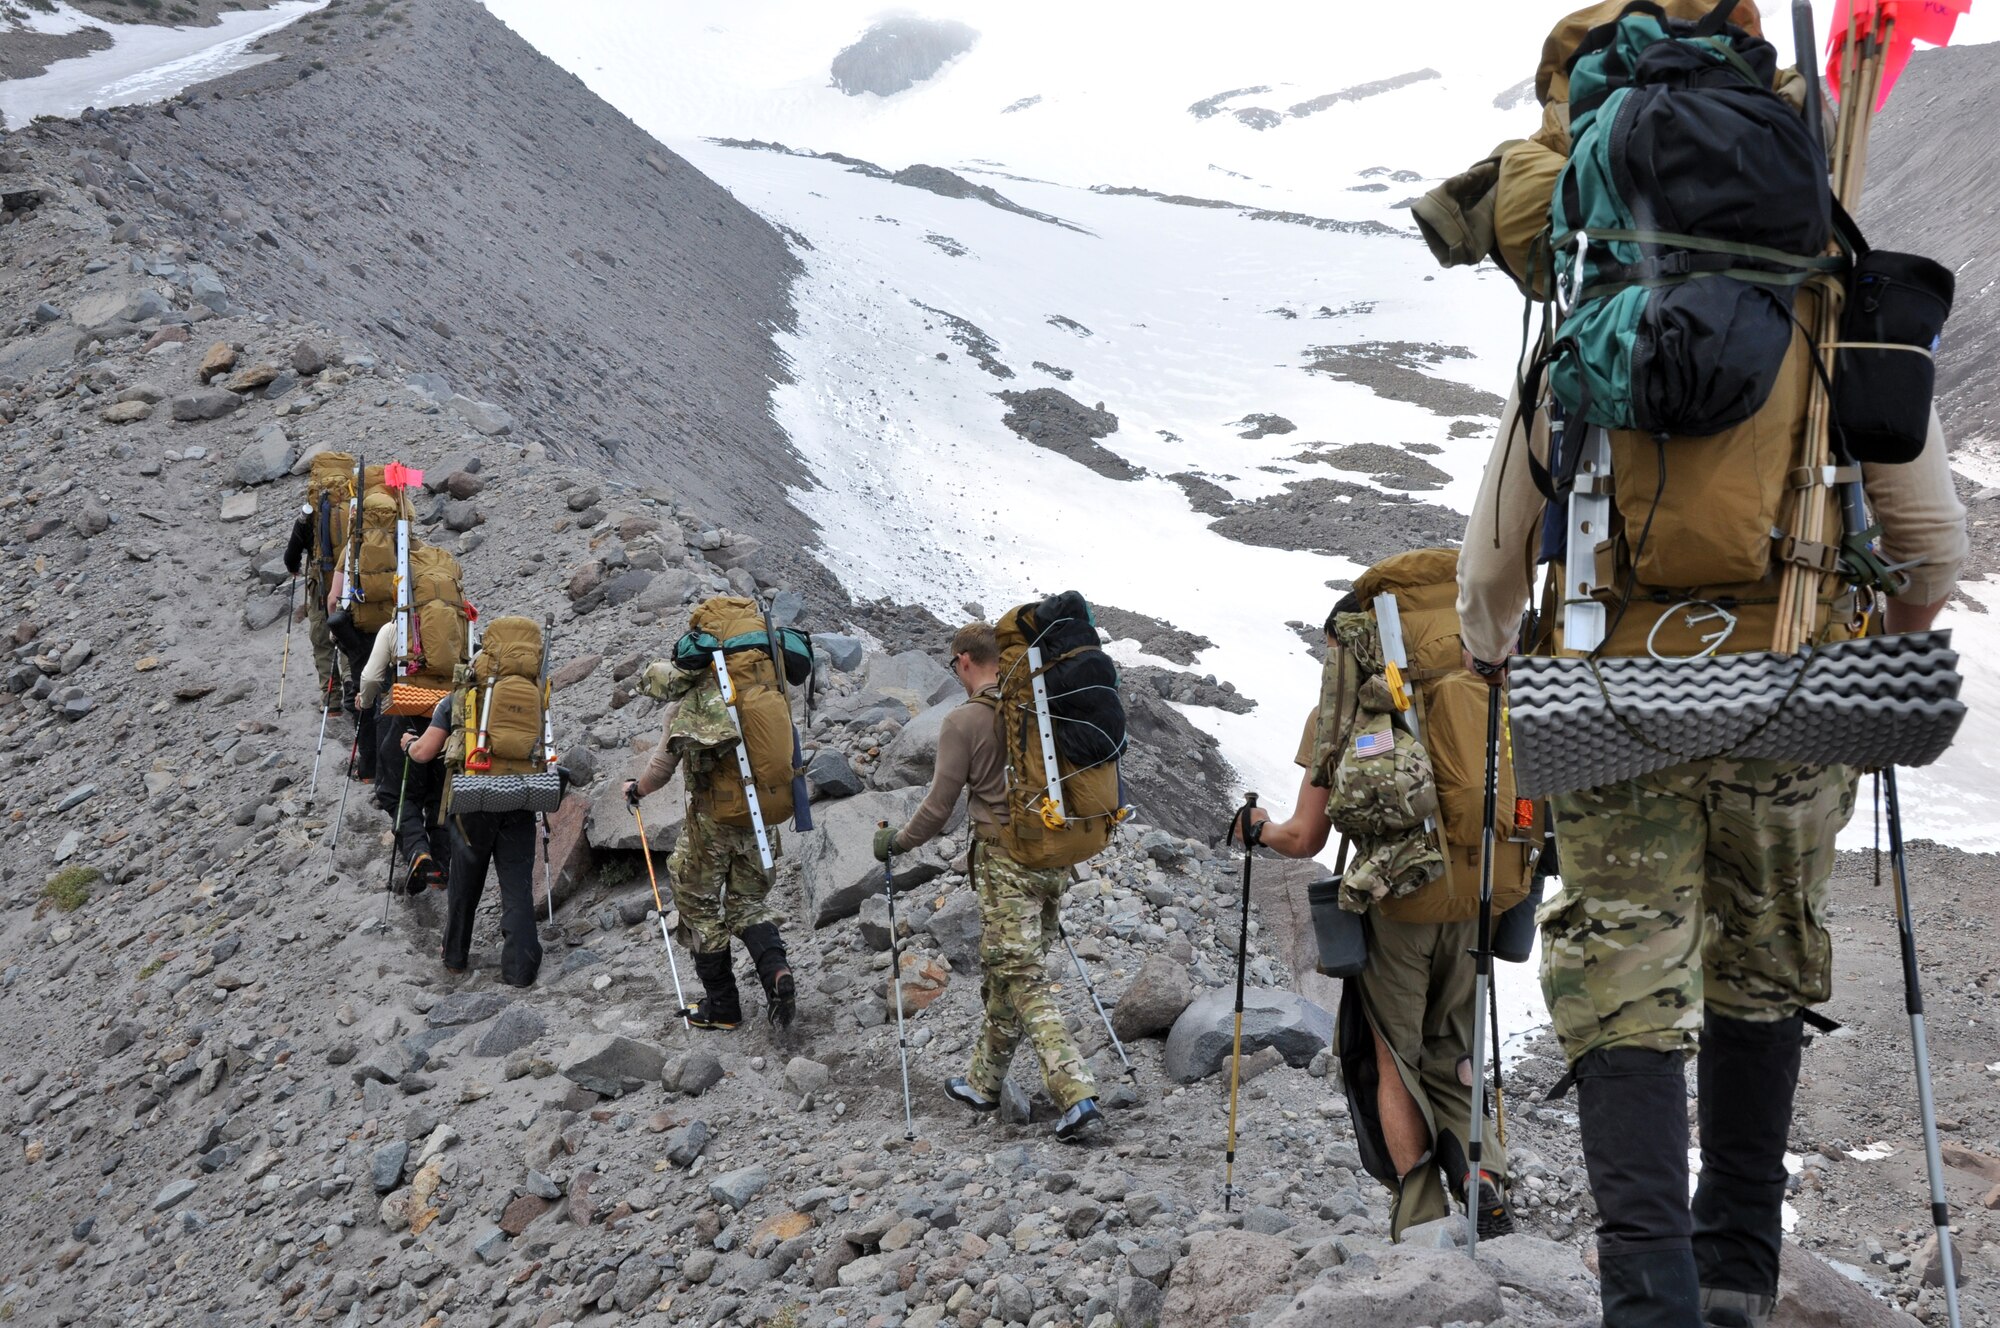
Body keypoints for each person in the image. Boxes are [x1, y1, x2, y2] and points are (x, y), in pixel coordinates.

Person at [1249, 585, 1518, 1240]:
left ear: (1347, 644)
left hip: (1397, 904)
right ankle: (1483, 1179)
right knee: (1453, 1044)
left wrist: (1256, 829)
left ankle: (1421, 1212)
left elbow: (1305, 840)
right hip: (1476, 898)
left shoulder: (1344, 713)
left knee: (1393, 1054)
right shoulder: (1472, 692)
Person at [873, 622, 1104, 1143]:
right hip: (1055, 858)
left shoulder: (966, 720)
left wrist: (898, 844)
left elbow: (937, 807)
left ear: (962, 662)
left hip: (1007, 864)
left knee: (1020, 975)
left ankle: (1075, 1093)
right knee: (1007, 970)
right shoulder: (1039, 709)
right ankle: (984, 1083)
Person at [623, 649, 796, 1031]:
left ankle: (723, 1007)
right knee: (748, 905)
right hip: (760, 820)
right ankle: (777, 973)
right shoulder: (764, 694)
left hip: (711, 825)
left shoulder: (688, 707)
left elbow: (661, 770)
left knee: (699, 908)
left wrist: (637, 789)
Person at [402, 696, 542, 985]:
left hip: (474, 796)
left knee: (464, 883)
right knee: (517, 886)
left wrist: (407, 745)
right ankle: (520, 970)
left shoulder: (460, 696)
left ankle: (455, 958)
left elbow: (424, 752)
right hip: (522, 796)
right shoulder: (532, 692)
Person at [357, 622, 447, 894]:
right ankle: (442, 865)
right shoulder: (460, 619)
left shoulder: (395, 627)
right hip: (448, 717)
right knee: (438, 796)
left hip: (404, 713)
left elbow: (372, 677)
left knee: (396, 793)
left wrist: (366, 699)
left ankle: (419, 851)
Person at [283, 502, 340, 705]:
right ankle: (358, 693)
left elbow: (291, 556)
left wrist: (294, 566)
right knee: (355, 635)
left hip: (323, 587)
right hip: (357, 583)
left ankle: (332, 699)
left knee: (323, 639)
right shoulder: (358, 502)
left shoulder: (310, 514)